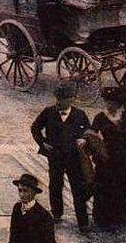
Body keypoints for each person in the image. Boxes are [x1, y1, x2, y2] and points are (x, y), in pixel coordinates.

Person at [30, 84, 91, 232]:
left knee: (78, 188)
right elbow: (35, 128)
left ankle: (83, 221)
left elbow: (88, 131)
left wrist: (84, 138)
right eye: (57, 99)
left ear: (70, 100)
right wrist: (43, 143)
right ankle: (56, 213)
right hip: (55, 156)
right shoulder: (48, 112)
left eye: (62, 100)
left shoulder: (80, 114)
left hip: (73, 158)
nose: (58, 102)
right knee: (55, 185)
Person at [87, 86, 126, 229]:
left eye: (112, 103)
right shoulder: (100, 117)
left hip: (123, 159)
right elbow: (92, 134)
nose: (109, 105)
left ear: (118, 104)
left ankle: (122, 215)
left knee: (122, 186)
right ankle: (104, 219)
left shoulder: (124, 117)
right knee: (105, 187)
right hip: (106, 159)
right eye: (107, 102)